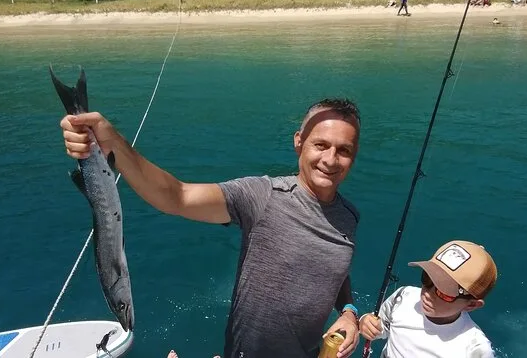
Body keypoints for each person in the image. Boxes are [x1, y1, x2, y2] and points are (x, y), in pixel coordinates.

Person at [59, 98, 363, 358]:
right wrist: (113, 143)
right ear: (299, 141)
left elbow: (333, 270)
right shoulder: (263, 197)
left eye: (344, 150)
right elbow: (176, 196)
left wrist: (348, 311)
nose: (330, 159)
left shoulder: (348, 216)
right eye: (321, 145)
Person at [358, 240, 497, 358]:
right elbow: (381, 327)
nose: (428, 294)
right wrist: (366, 322)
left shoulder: (475, 349)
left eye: (443, 292)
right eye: (427, 279)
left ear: (471, 305)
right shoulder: (403, 296)